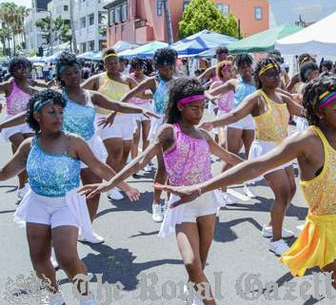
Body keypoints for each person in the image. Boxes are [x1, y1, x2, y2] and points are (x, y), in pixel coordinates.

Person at [153, 74, 336, 304]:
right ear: (320, 112)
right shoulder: (307, 142)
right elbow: (255, 166)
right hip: (329, 233)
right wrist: (201, 187)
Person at [80, 78, 242, 305]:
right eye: (194, 108)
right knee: (190, 262)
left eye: (202, 108)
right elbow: (139, 162)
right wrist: (111, 183)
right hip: (181, 202)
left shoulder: (203, 135)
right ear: (180, 106)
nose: (199, 113)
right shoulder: (169, 132)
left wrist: (265, 165)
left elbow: (230, 159)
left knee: (200, 264)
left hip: (207, 201)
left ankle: (194, 290)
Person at [3, 90, 139, 305]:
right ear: (37, 116)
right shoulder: (29, 146)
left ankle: (86, 296)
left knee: (67, 258)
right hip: (38, 203)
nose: (58, 116)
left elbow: (98, 166)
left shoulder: (73, 142)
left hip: (66, 204)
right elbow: (6, 172)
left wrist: (124, 186)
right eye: (51, 112)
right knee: (38, 258)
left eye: (60, 111)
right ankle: (54, 294)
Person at [202, 58, 304, 256]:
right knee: (282, 193)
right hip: (267, 150)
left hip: (284, 148)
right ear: (261, 77)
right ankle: (276, 240)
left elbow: (301, 111)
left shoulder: (281, 96)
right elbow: (234, 116)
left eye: (278, 73)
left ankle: (271, 226)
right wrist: (212, 124)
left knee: (291, 189)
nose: (276, 77)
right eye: (270, 74)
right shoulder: (257, 98)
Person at [118, 48, 179, 222]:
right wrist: (114, 112)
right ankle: (156, 204)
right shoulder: (153, 82)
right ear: (157, 67)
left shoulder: (178, 81)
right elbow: (129, 94)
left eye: (170, 68)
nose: (167, 72)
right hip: (160, 126)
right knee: (163, 168)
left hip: (177, 126)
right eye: (163, 68)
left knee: (175, 168)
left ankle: (170, 203)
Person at [82, 49, 140, 200]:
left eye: (115, 62)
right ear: (104, 64)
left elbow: (141, 91)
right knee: (116, 151)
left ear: (120, 63)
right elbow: (80, 92)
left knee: (124, 154)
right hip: (105, 118)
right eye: (109, 62)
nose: (113, 65)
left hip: (126, 119)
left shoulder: (127, 79)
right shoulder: (97, 79)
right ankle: (109, 186)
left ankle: (116, 182)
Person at [204, 54, 258, 201]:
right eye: (242, 67)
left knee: (250, 156)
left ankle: (248, 185)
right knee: (230, 156)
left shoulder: (258, 82)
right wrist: (210, 98)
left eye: (248, 66)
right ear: (237, 69)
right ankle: (222, 190)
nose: (246, 69)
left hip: (251, 121)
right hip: (236, 121)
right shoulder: (234, 82)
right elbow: (208, 92)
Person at [0, 57, 47, 199]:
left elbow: (40, 89)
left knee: (23, 155)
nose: (24, 70)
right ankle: (27, 184)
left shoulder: (31, 87)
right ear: (13, 70)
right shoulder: (9, 85)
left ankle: (22, 187)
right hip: (11, 122)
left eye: (26, 67)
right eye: (20, 67)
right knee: (25, 150)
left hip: (27, 123)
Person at [128, 57, 154, 169]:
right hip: (133, 108)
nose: (137, 71)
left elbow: (153, 94)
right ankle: (134, 163)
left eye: (139, 69)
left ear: (143, 68)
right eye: (134, 69)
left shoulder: (148, 79)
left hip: (147, 107)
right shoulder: (129, 79)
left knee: (146, 137)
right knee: (135, 136)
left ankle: (145, 161)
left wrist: (143, 95)